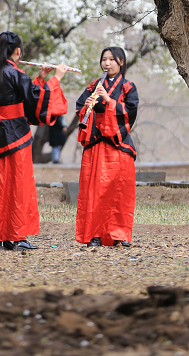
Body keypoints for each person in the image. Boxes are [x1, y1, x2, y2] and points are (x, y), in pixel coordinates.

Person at [0, 31, 68, 251]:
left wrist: (40, 78)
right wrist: (56, 79)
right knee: (19, 185)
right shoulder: (16, 74)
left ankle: (5, 238)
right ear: (18, 51)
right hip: (17, 135)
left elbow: (25, 95)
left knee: (3, 185)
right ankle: (19, 237)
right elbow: (35, 98)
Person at [75, 46, 139, 248]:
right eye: (104, 59)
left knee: (119, 191)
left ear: (121, 62)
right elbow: (80, 108)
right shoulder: (94, 85)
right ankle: (95, 235)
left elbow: (130, 112)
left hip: (117, 144)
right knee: (95, 191)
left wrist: (109, 100)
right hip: (96, 143)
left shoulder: (128, 86)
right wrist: (87, 106)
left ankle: (119, 234)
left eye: (111, 59)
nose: (107, 63)